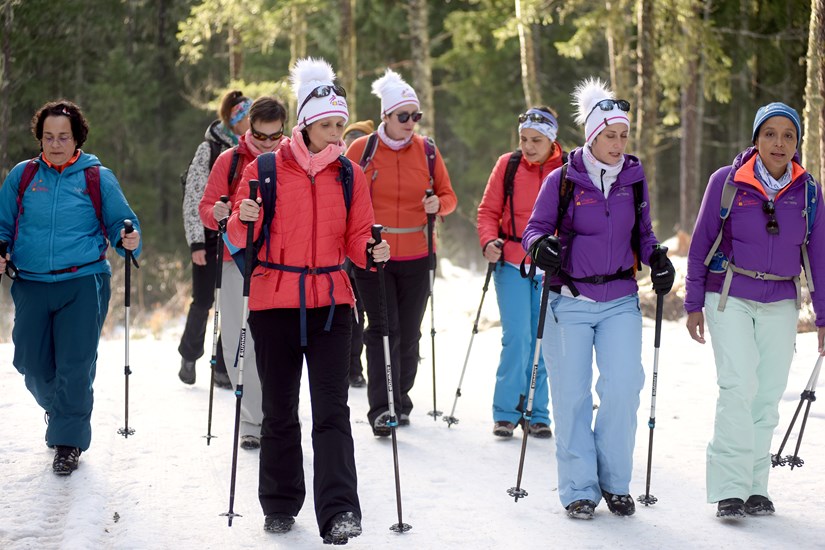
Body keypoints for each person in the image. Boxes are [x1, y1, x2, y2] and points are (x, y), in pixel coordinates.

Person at [226, 57, 389, 544]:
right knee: (279, 410)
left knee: (332, 411)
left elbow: (358, 237)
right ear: (305, 124)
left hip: (332, 304)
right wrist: (243, 216)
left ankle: (340, 511)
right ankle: (279, 503)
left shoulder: (349, 174)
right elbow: (236, 234)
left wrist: (371, 252)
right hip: (274, 303)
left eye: (340, 124)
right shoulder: (265, 169)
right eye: (327, 125)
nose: (336, 133)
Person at [522, 78, 675, 520]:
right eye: (610, 135)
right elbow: (535, 228)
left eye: (624, 135)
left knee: (623, 387)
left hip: (620, 298)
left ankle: (614, 482)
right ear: (592, 135)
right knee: (571, 395)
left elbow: (643, 234)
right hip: (568, 299)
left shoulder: (634, 178)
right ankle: (578, 489)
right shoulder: (562, 179)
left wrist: (657, 257)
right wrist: (539, 246)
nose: (619, 143)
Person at [685, 102, 825, 519]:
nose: (779, 143)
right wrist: (693, 302)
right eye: (770, 134)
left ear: (797, 142)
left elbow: (819, 259)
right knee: (738, 386)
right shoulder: (726, 182)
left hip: (781, 300)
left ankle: (754, 486)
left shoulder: (809, 192)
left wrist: (823, 316)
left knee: (766, 394)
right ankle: (730, 488)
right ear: (756, 138)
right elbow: (700, 243)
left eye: (788, 135)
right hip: (729, 295)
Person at [0, 100, 142, 475]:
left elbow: (122, 223)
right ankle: (61, 411)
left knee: (75, 366)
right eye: (48, 137)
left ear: (77, 138)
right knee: (30, 363)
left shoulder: (97, 177)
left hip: (83, 281)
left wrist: (129, 238)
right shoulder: (23, 176)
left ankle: (68, 442)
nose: (55, 144)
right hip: (31, 283)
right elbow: (3, 225)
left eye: (63, 137)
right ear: (40, 138)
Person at [345, 68, 457, 436]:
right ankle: (382, 409)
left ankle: (401, 399)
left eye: (415, 116)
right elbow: (342, 196)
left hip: (418, 255)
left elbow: (449, 196)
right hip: (374, 256)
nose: (410, 123)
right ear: (386, 116)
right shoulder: (361, 150)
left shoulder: (427, 151)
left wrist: (437, 205)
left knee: (409, 335)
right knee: (382, 330)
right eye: (403, 116)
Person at [198, 96, 287, 450]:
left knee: (278, 345)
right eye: (260, 136)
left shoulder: (291, 158)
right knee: (240, 342)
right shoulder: (230, 159)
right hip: (236, 261)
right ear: (249, 127)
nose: (266, 143)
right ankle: (251, 421)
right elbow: (206, 208)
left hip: (280, 264)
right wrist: (219, 213)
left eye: (274, 136)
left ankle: (279, 416)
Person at [477, 107, 564, 439]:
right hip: (512, 261)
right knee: (517, 337)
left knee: (543, 339)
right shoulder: (508, 165)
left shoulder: (568, 168)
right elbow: (488, 211)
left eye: (536, 140)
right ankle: (506, 412)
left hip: (551, 267)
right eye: (524, 139)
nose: (528, 146)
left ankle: (537, 413)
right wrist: (488, 241)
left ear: (551, 139)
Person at [179, 89, 251, 387]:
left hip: (239, 235)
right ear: (234, 120)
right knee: (204, 299)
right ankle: (189, 354)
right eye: (246, 117)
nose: (251, 122)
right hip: (209, 236)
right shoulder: (209, 149)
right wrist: (196, 242)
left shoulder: (253, 149)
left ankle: (222, 367)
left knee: (233, 303)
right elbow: (194, 197)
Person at [341, 119, 375, 388]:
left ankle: (355, 368)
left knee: (359, 312)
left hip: (367, 249)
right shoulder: (341, 170)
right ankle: (351, 368)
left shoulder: (375, 169)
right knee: (352, 312)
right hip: (345, 253)